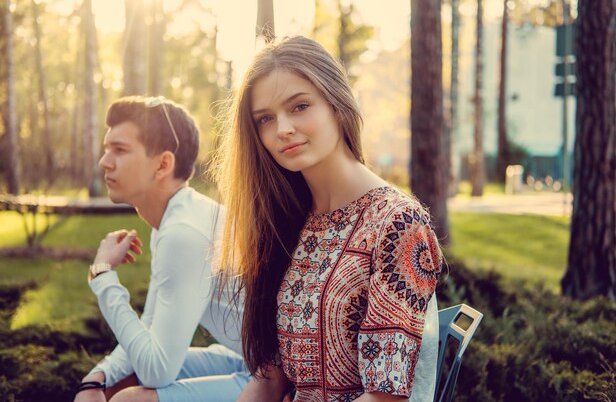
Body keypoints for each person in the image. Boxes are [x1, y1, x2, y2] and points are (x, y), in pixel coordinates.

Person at [211, 36, 444, 402]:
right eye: (265, 119)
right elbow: (270, 378)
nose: (282, 128)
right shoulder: (290, 221)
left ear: (337, 104)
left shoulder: (396, 223)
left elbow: (385, 397)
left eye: (300, 106)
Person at [74, 96, 248, 402]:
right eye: (106, 148)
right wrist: (97, 376)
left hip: (283, 378)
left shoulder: (183, 233)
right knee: (113, 383)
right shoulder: (171, 221)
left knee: (129, 400)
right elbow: (150, 326)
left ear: (163, 164)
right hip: (244, 359)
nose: (105, 161)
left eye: (120, 150)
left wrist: (102, 276)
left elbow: (158, 370)